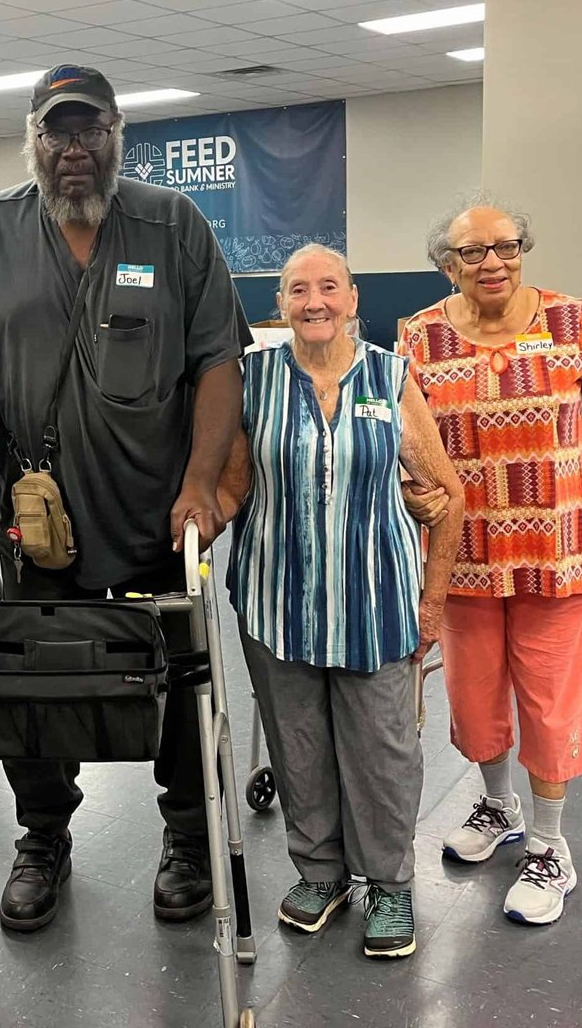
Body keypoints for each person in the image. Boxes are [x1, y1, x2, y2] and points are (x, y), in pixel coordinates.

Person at [0, 64, 251, 932]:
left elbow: (217, 362)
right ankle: (44, 836)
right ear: (33, 139)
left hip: (156, 515)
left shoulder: (172, 224)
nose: (73, 150)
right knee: (40, 687)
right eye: (57, 133)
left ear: (116, 134)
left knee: (175, 680)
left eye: (89, 131)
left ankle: (186, 835)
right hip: (39, 526)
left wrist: (202, 485)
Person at [218, 244, 464, 960]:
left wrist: (434, 600)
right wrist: (193, 520)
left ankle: (389, 883)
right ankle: (319, 874)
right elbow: (234, 486)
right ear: (282, 305)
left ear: (354, 299)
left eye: (329, 287)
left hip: (376, 602)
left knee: (383, 750)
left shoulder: (390, 376)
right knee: (297, 748)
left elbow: (445, 495)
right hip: (275, 602)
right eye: (299, 290)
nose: (315, 301)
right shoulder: (255, 379)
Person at [399, 201, 582, 928]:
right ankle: (497, 805)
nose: (491, 262)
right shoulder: (420, 337)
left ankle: (549, 846)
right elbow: (408, 446)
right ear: (449, 264)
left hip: (557, 552)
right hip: (464, 558)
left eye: (505, 247)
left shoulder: (572, 323)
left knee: (548, 699)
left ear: (523, 251)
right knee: (473, 697)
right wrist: (413, 496)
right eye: (472, 252)